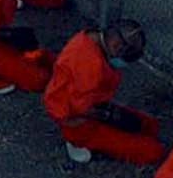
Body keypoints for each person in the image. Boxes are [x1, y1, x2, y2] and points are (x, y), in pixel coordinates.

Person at [45, 21, 164, 166]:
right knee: (153, 151)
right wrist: (112, 118)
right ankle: (78, 142)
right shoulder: (92, 68)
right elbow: (80, 109)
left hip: (88, 105)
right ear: (118, 47)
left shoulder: (88, 39)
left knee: (149, 125)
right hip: (78, 123)